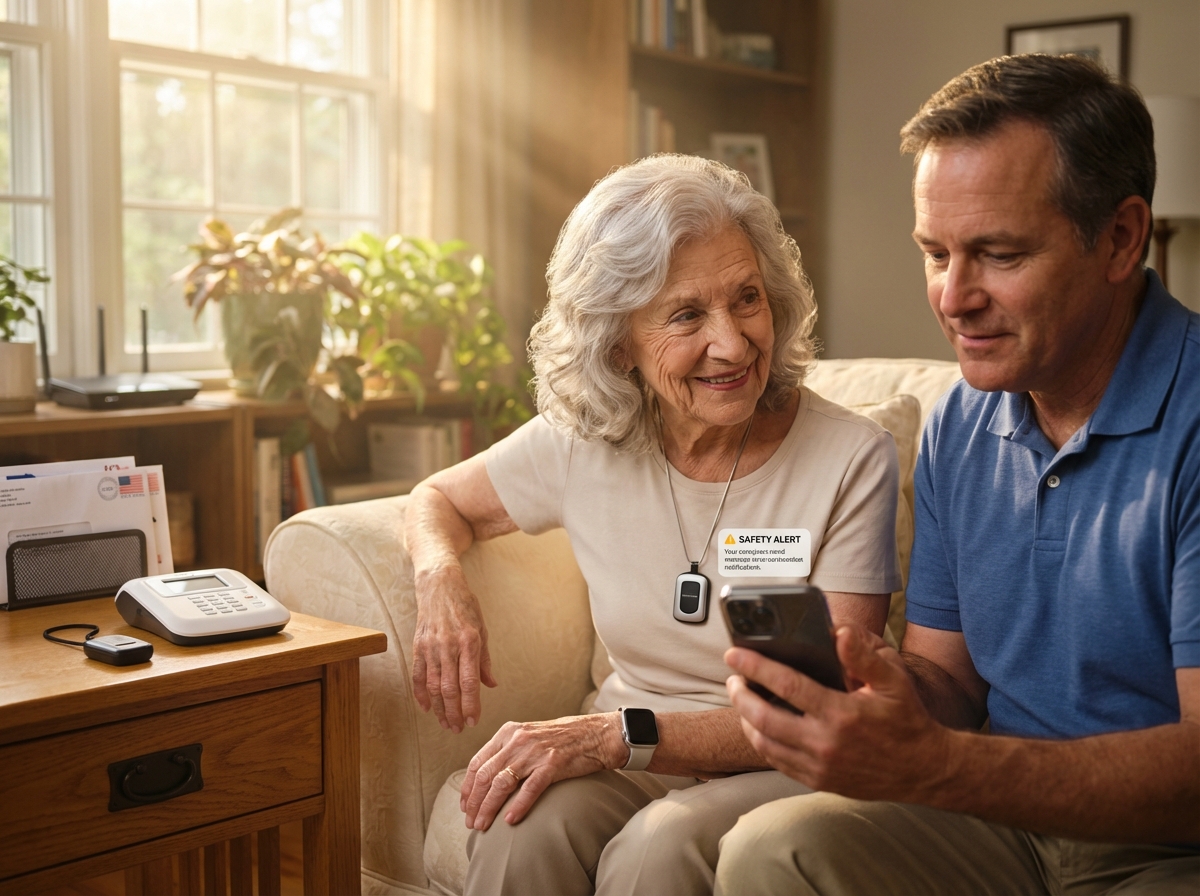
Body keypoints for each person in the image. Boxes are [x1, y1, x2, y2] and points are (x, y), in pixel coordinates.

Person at [715, 54, 1200, 895]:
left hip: (1167, 848)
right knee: (773, 848)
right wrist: (886, 688)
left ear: (1121, 238)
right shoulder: (959, 421)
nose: (952, 296)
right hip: (1000, 829)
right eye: (935, 253)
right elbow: (950, 683)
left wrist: (940, 766)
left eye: (998, 254)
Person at [403, 153, 903, 895]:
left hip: (783, 765)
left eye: (747, 299)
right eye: (687, 315)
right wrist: (441, 583)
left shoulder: (849, 458)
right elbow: (435, 500)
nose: (732, 344)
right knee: (519, 822)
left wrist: (616, 736)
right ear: (617, 341)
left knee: (659, 851)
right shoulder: (583, 442)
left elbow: (820, 707)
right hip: (638, 755)